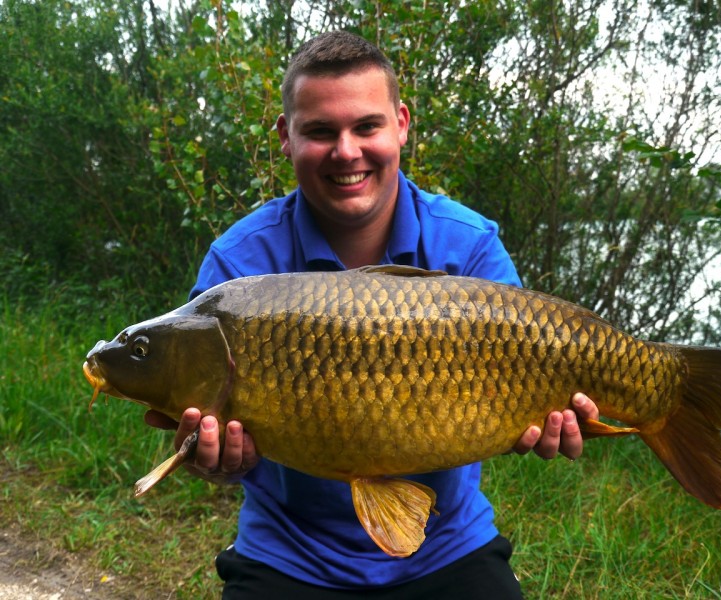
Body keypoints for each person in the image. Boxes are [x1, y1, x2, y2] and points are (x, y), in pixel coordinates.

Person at [145, 31, 600, 599]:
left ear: (401, 124)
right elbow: (207, 443)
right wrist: (215, 461)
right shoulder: (239, 265)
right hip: (289, 552)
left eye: (366, 126)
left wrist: (559, 419)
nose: (346, 151)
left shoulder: (469, 246)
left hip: (447, 543)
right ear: (286, 137)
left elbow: (532, 380)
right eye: (319, 131)